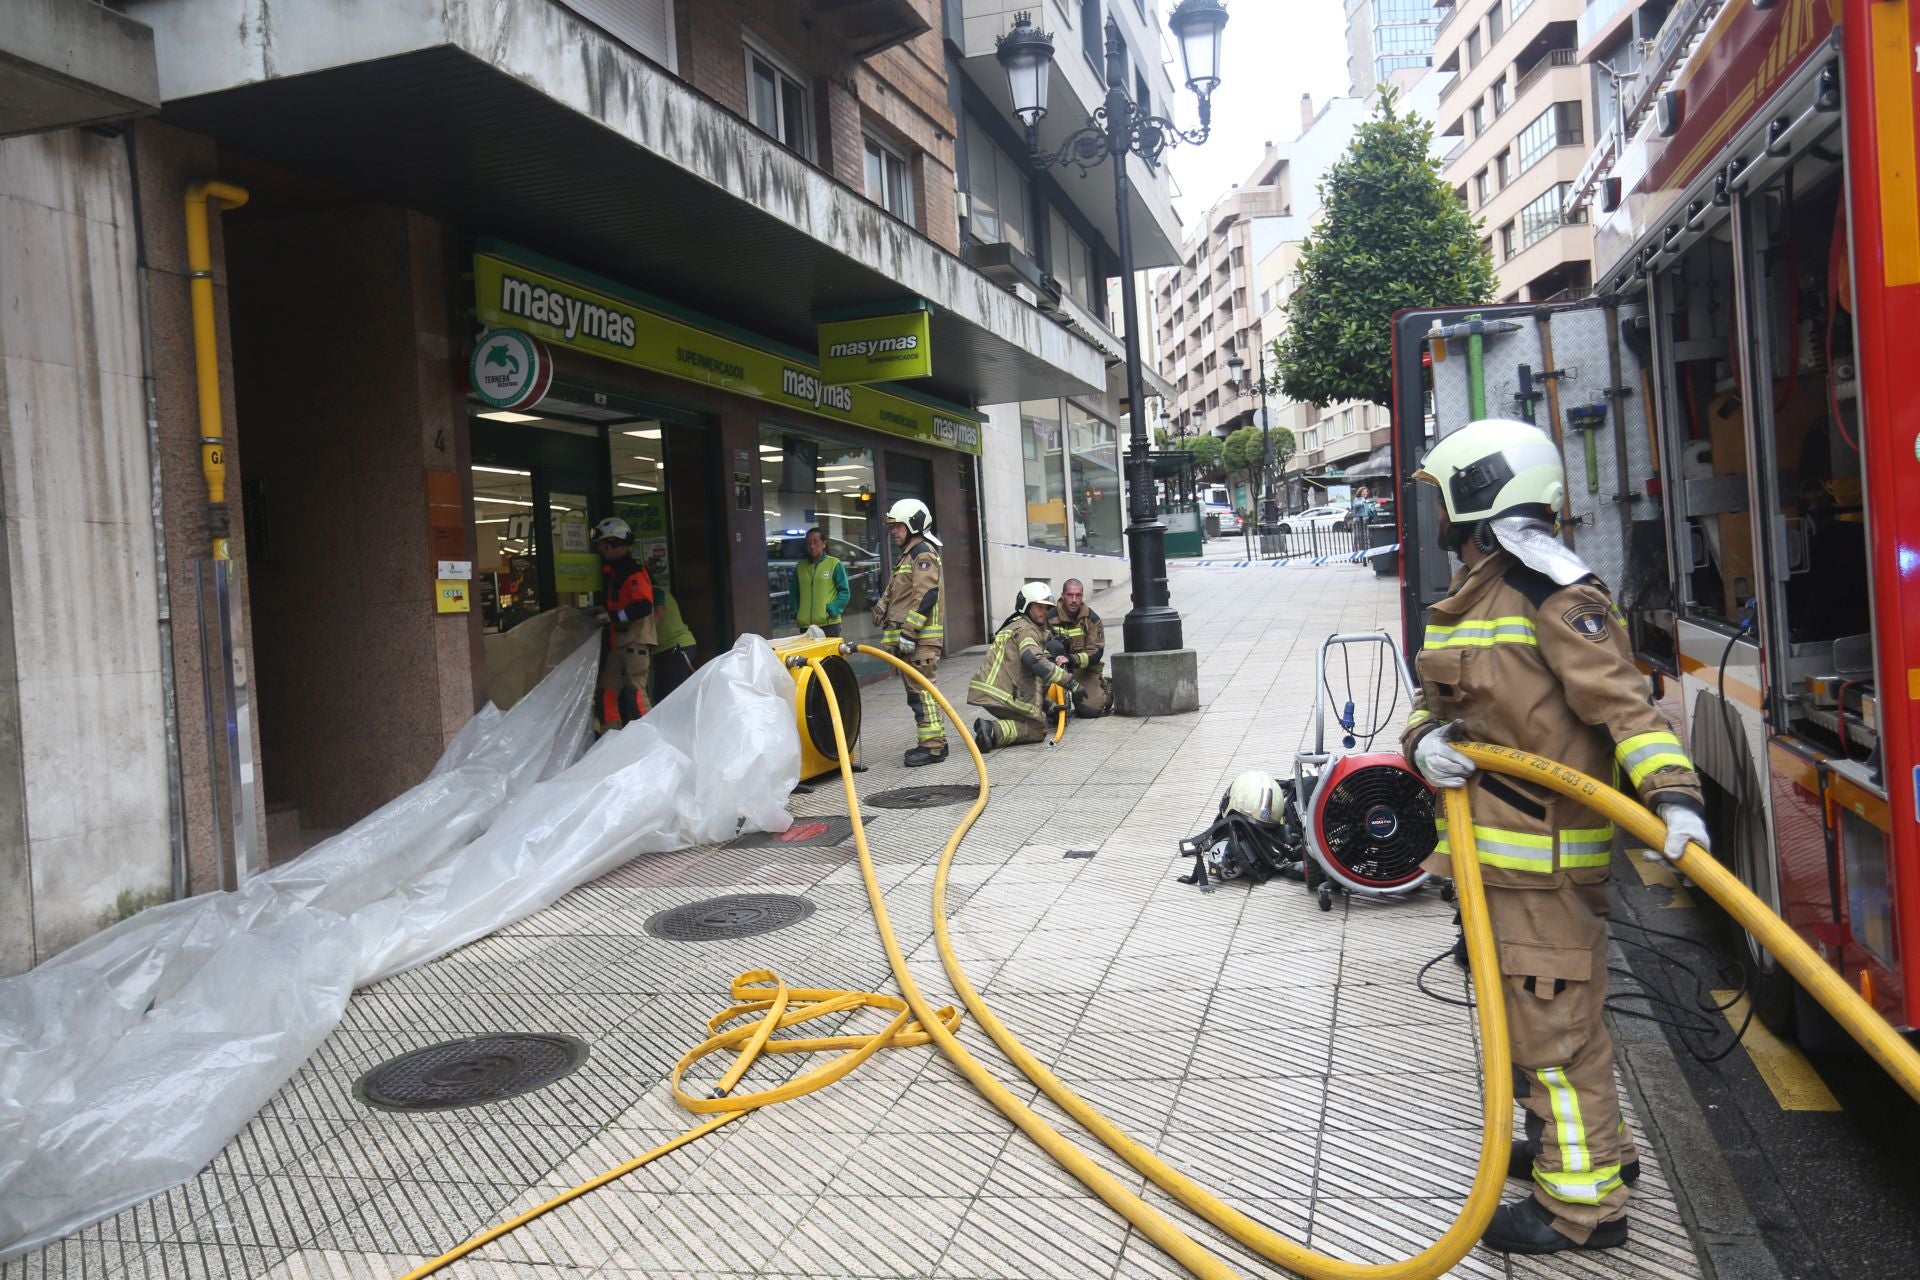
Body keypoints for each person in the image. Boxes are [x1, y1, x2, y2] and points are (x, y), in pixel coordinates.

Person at [1402, 418, 1709, 1256]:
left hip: (1542, 868)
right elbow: (1446, 712)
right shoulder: (1475, 594)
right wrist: (1423, 743)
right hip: (1492, 864)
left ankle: (1582, 1210)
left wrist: (1673, 797)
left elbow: (1625, 708)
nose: (1433, 515)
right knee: (1547, 1027)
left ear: (1476, 493)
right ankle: (1594, 1153)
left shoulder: (1553, 593)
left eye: (1441, 495)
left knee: (1554, 1034)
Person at [871, 498, 947, 766]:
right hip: (914, 642)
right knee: (920, 693)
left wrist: (909, 632)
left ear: (914, 524)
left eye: (899, 526)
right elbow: (899, 592)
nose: (894, 532)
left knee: (921, 694)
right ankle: (935, 742)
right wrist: (881, 609)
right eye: (893, 527)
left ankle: (933, 748)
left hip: (920, 642)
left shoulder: (922, 552)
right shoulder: (909, 553)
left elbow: (926, 595)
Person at [969, 582, 1080, 752]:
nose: (1044, 612)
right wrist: (1071, 682)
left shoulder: (1016, 625)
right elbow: (1033, 661)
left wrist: (1047, 705)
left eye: (1046, 608)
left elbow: (1026, 675)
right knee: (1037, 730)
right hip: (1001, 694)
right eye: (1039, 607)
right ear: (1026, 606)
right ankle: (992, 730)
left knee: (1032, 720)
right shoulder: (1028, 630)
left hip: (992, 690)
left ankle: (989, 730)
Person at [592, 516, 656, 730]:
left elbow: (644, 606)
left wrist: (611, 617)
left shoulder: (632, 572)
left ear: (616, 542)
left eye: (603, 543)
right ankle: (612, 740)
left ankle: (651, 742)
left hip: (633, 645)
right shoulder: (617, 573)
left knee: (634, 697)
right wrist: (607, 612)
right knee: (607, 694)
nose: (601, 549)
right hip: (620, 646)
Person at [1046, 578, 1110, 717]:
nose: (1074, 600)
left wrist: (1071, 659)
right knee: (1053, 711)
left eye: (1078, 595)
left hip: (1083, 669)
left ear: (1082, 596)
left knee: (1090, 711)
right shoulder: (1048, 617)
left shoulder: (1092, 619)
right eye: (1070, 595)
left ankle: (1107, 689)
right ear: (1063, 596)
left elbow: (1096, 653)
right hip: (1056, 670)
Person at [645, 547, 700, 704]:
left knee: (672, 695)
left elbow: (658, 613)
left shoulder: (656, 592)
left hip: (676, 648)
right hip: (666, 650)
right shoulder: (652, 593)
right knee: (662, 697)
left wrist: (641, 634)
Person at [792, 527, 850, 636]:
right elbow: (794, 593)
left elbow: (844, 592)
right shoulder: (800, 567)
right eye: (808, 543)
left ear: (824, 544)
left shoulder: (834, 564)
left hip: (829, 625)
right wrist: (797, 612)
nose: (812, 546)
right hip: (806, 627)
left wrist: (832, 609)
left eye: (815, 542)